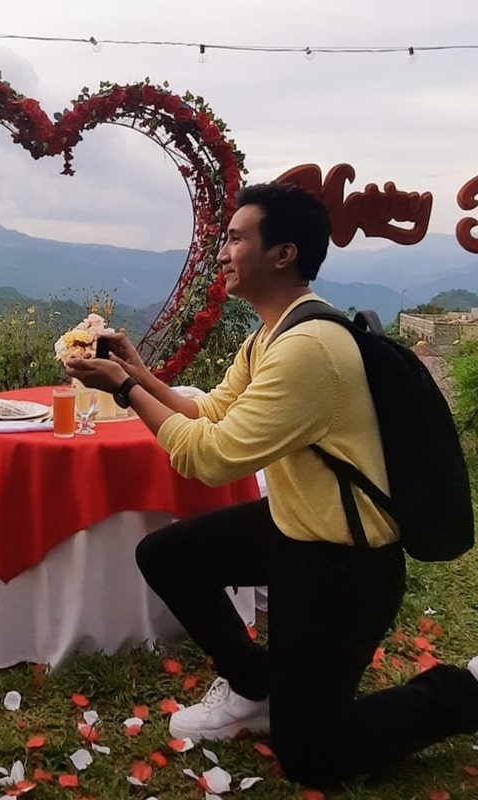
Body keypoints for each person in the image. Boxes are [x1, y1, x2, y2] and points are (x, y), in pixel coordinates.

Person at [65, 181, 478, 787]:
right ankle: (254, 687)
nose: (222, 253)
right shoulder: (272, 332)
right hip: (294, 527)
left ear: (283, 254)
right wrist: (138, 372)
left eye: (236, 239)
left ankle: (464, 689)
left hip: (345, 564)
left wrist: (124, 390)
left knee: (314, 758)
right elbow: (211, 412)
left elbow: (210, 457)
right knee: (168, 555)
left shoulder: (308, 349)